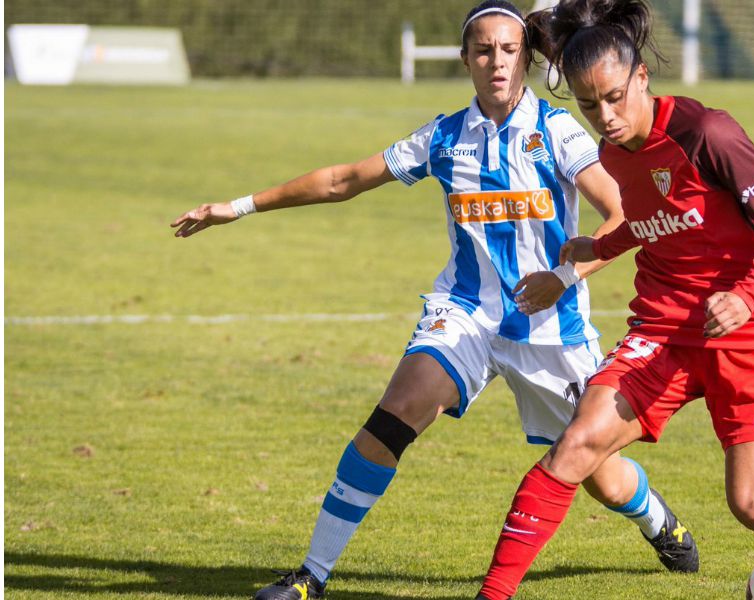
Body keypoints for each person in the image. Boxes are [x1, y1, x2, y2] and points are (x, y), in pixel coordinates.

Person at [171, 2, 698, 599]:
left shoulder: (557, 130)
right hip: (464, 314)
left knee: (599, 475)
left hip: (552, 328)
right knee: (392, 415)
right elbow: (344, 181)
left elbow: (622, 214)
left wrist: (565, 275)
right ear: (465, 60)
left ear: (525, 57)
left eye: (507, 50)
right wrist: (236, 207)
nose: (496, 62)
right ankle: (310, 578)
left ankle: (657, 519)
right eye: (482, 50)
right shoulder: (444, 137)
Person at [473, 1, 754, 598]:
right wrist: (592, 251)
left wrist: (746, 297)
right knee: (576, 445)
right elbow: (660, 218)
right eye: (589, 104)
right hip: (663, 330)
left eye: (616, 97)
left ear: (642, 78)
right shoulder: (610, 154)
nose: (606, 116)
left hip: (747, 332)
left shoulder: (707, 132)